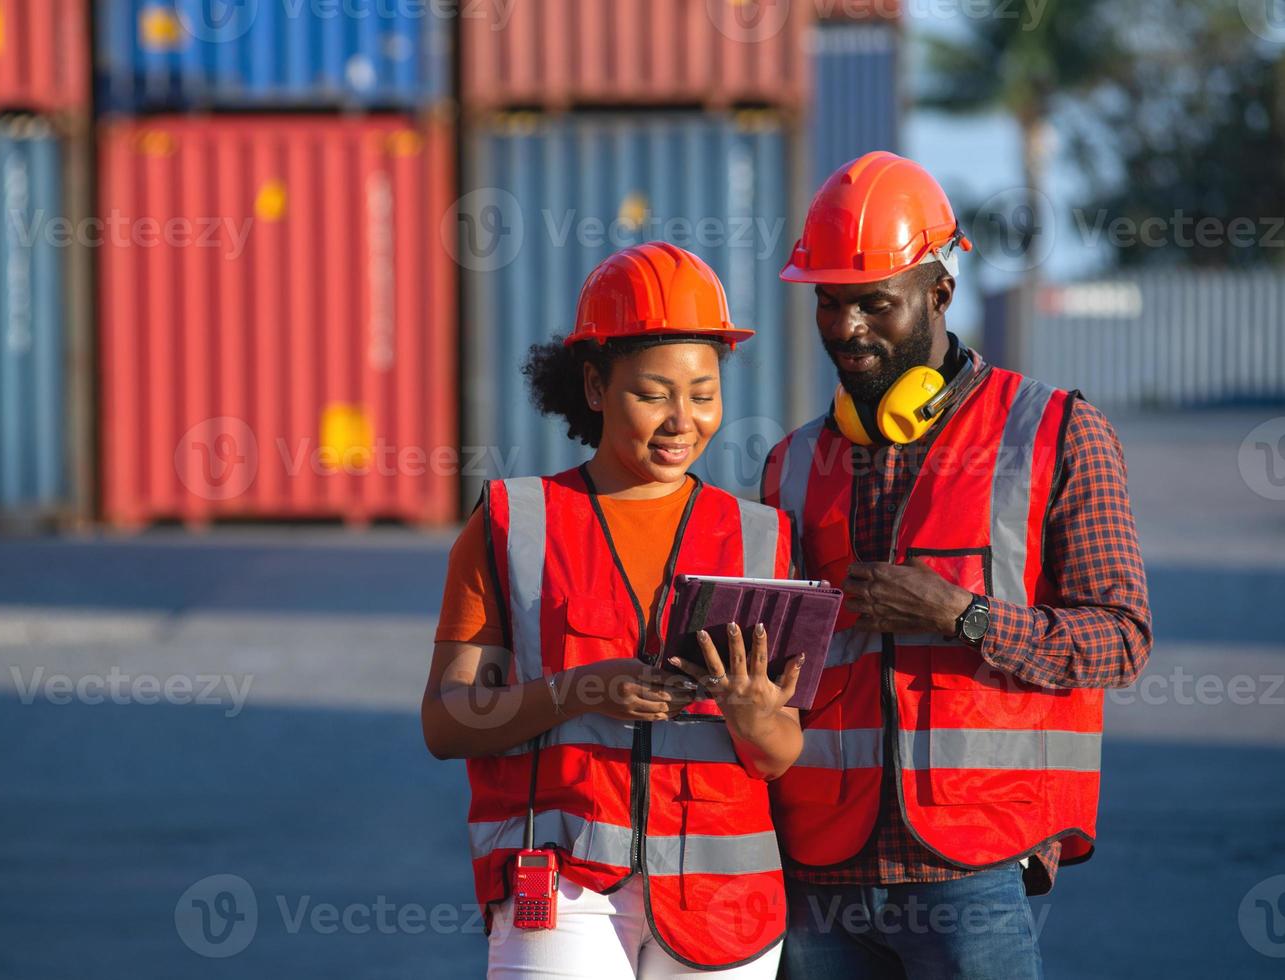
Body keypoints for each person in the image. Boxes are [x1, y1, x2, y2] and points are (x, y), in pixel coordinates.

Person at [761, 151, 1153, 979]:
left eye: (875, 303)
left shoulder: (1053, 433)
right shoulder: (790, 464)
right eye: (830, 304)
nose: (848, 328)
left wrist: (961, 616)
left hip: (969, 867)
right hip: (817, 874)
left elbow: (1119, 639)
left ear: (939, 292)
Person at [423, 241, 807, 979]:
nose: (680, 420)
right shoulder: (514, 521)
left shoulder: (763, 538)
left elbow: (780, 754)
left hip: (721, 898)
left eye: (702, 394)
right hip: (561, 886)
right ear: (594, 387)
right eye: (652, 393)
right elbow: (445, 723)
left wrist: (752, 710)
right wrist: (581, 691)